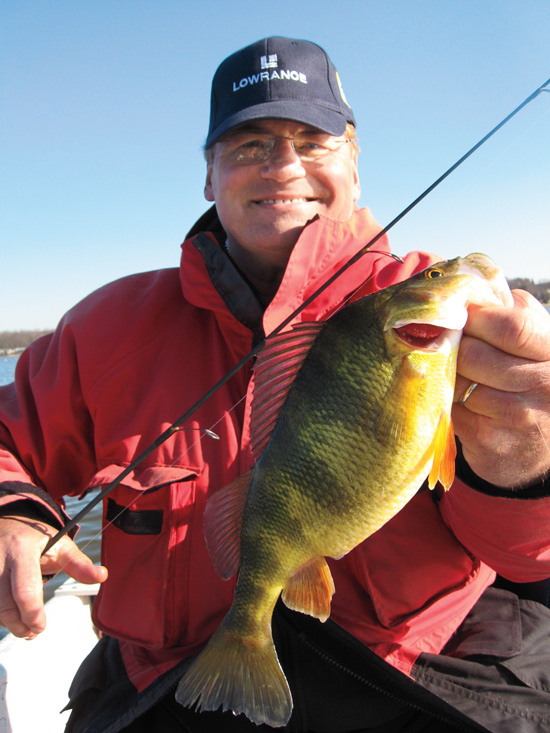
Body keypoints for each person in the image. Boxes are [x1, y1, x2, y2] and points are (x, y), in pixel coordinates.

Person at [1, 36, 550, 733]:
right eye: (250, 144)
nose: (283, 165)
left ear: (354, 162)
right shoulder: (108, 328)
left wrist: (527, 465)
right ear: (209, 175)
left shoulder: (461, 324)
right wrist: (12, 513)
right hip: (172, 682)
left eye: (312, 141)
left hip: (413, 673)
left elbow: (529, 556)